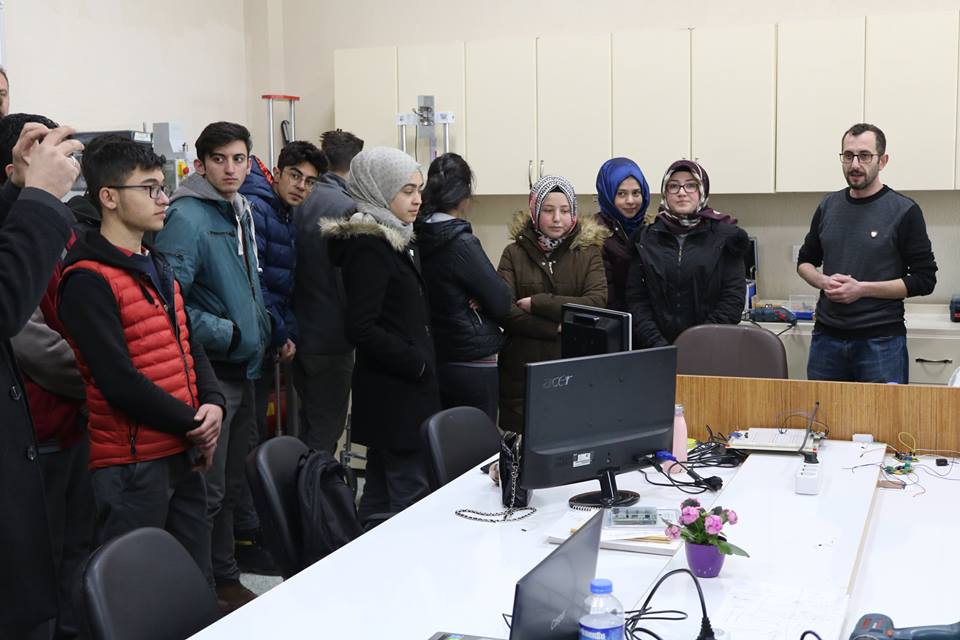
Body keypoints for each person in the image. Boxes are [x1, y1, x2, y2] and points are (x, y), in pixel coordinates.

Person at [58, 134, 225, 580]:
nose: (163, 198)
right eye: (149, 189)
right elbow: (118, 381)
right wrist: (193, 424)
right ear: (109, 197)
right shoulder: (87, 279)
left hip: (181, 449)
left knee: (193, 581)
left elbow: (188, 343)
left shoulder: (155, 262)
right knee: (141, 588)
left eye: (162, 187)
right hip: (132, 465)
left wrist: (212, 403)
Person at [153, 121, 270, 611]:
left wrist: (264, 330)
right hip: (213, 371)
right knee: (208, 492)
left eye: (239, 159)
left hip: (246, 367)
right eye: (219, 159)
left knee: (232, 485)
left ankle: (224, 577)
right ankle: (198, 593)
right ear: (200, 165)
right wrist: (231, 334)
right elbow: (168, 300)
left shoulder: (238, 208)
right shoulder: (188, 216)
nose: (230, 169)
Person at [2, 113, 94, 640]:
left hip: (60, 424)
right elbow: (10, 309)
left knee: (67, 550)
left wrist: (19, 191)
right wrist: (37, 197)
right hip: (39, 422)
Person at [321, 146, 440, 521]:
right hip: (395, 392)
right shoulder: (370, 246)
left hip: (401, 391)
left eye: (419, 190)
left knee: (379, 493)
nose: (417, 199)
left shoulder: (395, 236)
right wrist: (415, 362)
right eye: (407, 190)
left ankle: (365, 552)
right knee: (409, 501)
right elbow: (361, 326)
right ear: (379, 189)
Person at [235, 139, 324, 573]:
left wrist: (284, 331)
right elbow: (259, 283)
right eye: (295, 176)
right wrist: (282, 332)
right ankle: (247, 535)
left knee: (254, 436)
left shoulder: (280, 212)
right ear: (277, 171)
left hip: (267, 337)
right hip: (252, 342)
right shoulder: (257, 208)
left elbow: (279, 283)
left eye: (309, 182)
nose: (301, 186)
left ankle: (253, 528)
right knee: (247, 441)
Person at [797, 123, 937, 383]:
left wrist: (861, 289)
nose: (855, 164)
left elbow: (924, 280)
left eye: (864, 156)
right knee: (823, 410)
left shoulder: (904, 210)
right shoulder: (828, 205)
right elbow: (805, 261)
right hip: (826, 339)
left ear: (882, 161)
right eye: (848, 156)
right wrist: (823, 281)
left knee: (882, 412)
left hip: (881, 342)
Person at [497, 175, 607, 431]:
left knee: (575, 442)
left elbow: (596, 302)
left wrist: (538, 303)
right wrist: (556, 327)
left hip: (576, 368)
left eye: (565, 210)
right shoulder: (513, 253)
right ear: (535, 212)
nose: (557, 218)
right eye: (548, 210)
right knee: (521, 448)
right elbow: (506, 311)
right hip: (523, 372)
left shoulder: (588, 252)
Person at [415, 153, 511, 423]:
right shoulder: (461, 243)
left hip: (435, 355)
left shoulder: (416, 235)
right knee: (477, 443)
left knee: (441, 440)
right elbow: (502, 301)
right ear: (465, 195)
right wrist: (480, 299)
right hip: (472, 360)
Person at [625, 160, 748, 349]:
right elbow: (636, 300)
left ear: (702, 190)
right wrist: (659, 345)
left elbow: (732, 300)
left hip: (711, 349)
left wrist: (697, 343)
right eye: (673, 186)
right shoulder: (645, 239)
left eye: (691, 185)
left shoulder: (726, 237)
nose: (682, 192)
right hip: (655, 351)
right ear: (665, 193)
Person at [293, 129, 364, 455]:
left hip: (295, 333)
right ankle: (316, 488)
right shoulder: (349, 208)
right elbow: (350, 278)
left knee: (302, 428)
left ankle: (297, 485)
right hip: (332, 337)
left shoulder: (298, 199)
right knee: (325, 433)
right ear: (355, 164)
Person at [593, 157, 651, 311]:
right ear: (607, 195)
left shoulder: (651, 230)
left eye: (636, 193)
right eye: (621, 194)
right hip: (614, 319)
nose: (630, 201)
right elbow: (604, 296)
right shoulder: (595, 235)